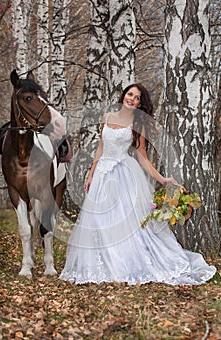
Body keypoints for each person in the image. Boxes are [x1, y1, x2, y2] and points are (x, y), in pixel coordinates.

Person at [59, 83, 216, 285]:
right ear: (124, 95)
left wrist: (162, 179)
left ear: (140, 104)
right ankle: (103, 264)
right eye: (130, 94)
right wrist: (91, 174)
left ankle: (125, 263)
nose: (132, 99)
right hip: (102, 174)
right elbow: (100, 147)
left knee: (125, 222)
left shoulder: (138, 123)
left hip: (124, 174)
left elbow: (142, 157)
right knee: (100, 220)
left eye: (137, 98)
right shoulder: (108, 117)